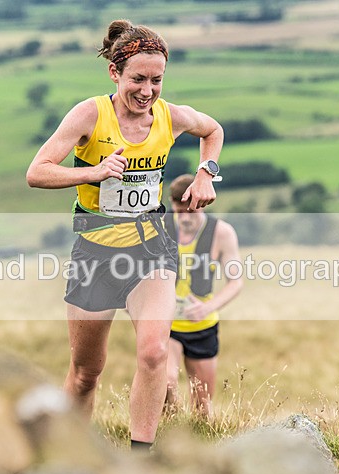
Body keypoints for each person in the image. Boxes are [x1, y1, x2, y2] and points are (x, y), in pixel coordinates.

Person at [26, 19, 224, 450]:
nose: (147, 90)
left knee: (154, 352)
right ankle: (69, 455)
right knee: (85, 373)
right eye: (138, 79)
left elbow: (213, 131)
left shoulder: (169, 117)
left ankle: (140, 460)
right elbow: (36, 172)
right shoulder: (89, 115)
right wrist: (93, 172)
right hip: (94, 252)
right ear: (115, 73)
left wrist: (206, 173)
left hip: (151, 247)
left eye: (157, 80)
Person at [164, 174, 242, 418]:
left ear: (202, 204)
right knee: (165, 385)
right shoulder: (160, 226)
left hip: (203, 324)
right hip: (167, 324)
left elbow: (236, 282)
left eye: (191, 211)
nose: (185, 218)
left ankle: (198, 446)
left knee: (202, 407)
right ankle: (169, 435)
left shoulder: (222, 233)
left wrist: (207, 308)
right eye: (179, 212)